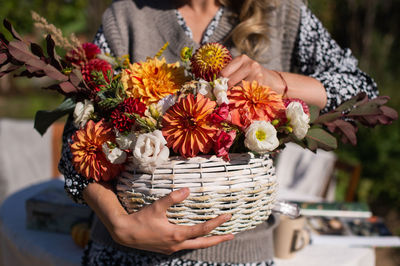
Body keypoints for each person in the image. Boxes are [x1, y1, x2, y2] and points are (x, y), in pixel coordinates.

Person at [59, 0, 378, 265]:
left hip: (238, 254)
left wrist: (275, 81)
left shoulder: (283, 12)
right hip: (125, 252)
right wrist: (119, 223)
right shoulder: (128, 14)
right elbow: (74, 141)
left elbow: (364, 94)